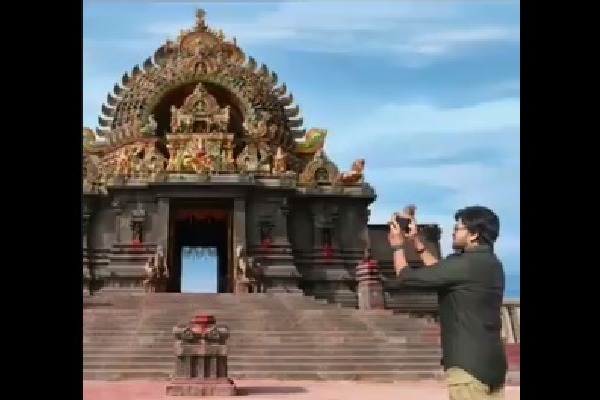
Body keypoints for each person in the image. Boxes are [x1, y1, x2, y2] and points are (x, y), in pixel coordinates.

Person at [389, 205, 507, 400]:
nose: (453, 232)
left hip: (468, 369)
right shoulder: (492, 264)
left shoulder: (464, 264)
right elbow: (441, 272)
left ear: (474, 234)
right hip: (493, 367)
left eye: (457, 228)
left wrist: (397, 247)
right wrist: (416, 242)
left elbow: (405, 277)